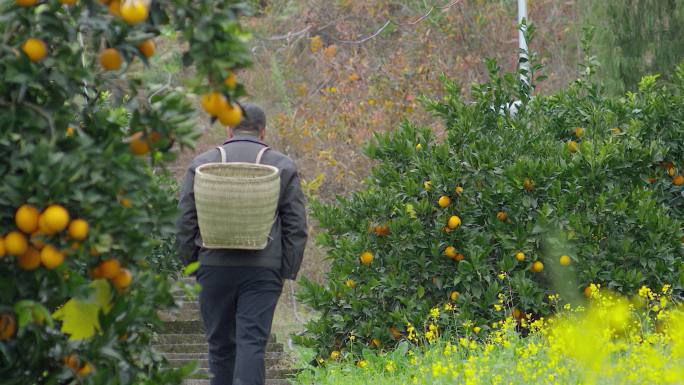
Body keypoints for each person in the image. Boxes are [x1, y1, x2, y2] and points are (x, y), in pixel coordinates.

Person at [175, 103, 308, 385]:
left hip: (213, 265)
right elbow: (296, 226)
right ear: (263, 131)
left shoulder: (202, 164)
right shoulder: (282, 165)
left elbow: (185, 220)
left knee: (220, 346)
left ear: (228, 128)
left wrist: (194, 265)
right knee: (252, 343)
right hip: (263, 269)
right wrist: (284, 270)